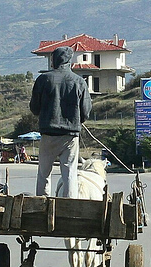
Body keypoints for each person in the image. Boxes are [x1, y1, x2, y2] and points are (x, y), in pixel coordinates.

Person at [29, 46, 92, 198]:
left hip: (49, 133)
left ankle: (43, 202)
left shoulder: (43, 79)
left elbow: (34, 108)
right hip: (70, 135)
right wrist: (78, 121)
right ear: (69, 61)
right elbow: (86, 111)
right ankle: (70, 203)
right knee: (69, 171)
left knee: (44, 172)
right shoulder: (79, 81)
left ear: (54, 61)